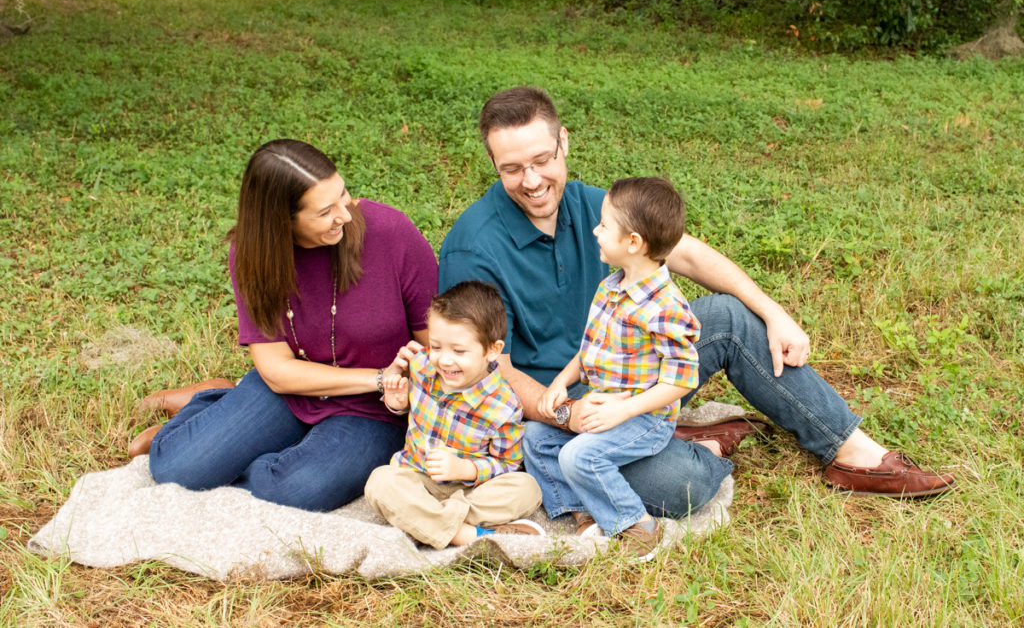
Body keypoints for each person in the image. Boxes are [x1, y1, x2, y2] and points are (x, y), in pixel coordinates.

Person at [437, 87, 953, 520]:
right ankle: (696, 445)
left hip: (632, 369)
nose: (531, 181)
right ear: (493, 165)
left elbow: (689, 255)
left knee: (728, 317)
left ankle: (852, 453)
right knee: (682, 488)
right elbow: (488, 369)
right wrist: (570, 412)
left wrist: (774, 311)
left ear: (564, 141)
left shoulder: (597, 205)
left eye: (542, 160)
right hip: (559, 405)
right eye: (511, 169)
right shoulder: (472, 245)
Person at [140, 139, 438, 512]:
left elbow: (438, 344)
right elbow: (278, 371)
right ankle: (213, 407)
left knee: (297, 490)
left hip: (376, 410)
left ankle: (224, 422)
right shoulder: (253, 256)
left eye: (343, 195)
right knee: (176, 468)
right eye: (325, 211)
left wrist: (398, 389)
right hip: (292, 391)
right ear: (282, 221)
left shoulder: (391, 233)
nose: (345, 215)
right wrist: (380, 376)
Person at [531, 177, 701, 560]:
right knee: (534, 437)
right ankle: (585, 514)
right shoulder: (611, 285)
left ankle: (636, 525)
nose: (596, 230)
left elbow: (682, 379)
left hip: (644, 417)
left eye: (604, 225)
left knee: (579, 457)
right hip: (601, 403)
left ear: (634, 243)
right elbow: (589, 349)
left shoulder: (665, 308)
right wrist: (560, 383)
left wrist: (623, 410)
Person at [364, 281, 543, 549]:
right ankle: (469, 535)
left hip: (471, 490)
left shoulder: (504, 404)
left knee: (527, 489)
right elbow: (409, 406)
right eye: (436, 347)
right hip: (417, 478)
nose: (444, 360)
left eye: (458, 351)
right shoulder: (422, 366)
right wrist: (398, 403)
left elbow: (507, 463)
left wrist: (465, 469)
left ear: (492, 350)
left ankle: (423, 521)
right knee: (380, 482)